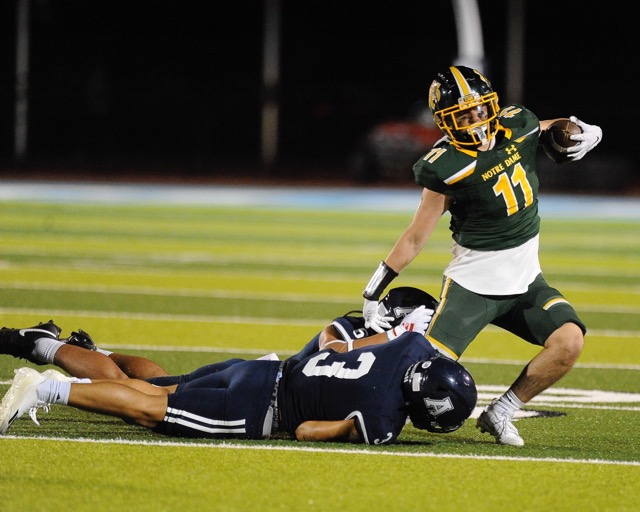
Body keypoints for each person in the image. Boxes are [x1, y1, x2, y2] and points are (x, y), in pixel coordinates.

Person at [360, 65, 603, 447]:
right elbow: (415, 237)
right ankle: (341, 383)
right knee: (414, 371)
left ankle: (502, 412)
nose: (475, 120)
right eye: (463, 115)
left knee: (569, 341)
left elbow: (546, 124)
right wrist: (373, 291)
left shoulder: (516, 125)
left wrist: (582, 128)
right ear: (446, 122)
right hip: (472, 287)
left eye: (480, 109)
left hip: (526, 282)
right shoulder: (446, 166)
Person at [0, 326, 477, 444]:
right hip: (257, 408)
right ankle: (44, 388)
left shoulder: (412, 347)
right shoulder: (384, 421)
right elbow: (308, 429)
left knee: (149, 385)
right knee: (146, 408)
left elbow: (336, 346)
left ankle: (64, 348)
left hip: (263, 369)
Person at [0, 287, 438, 383]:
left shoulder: (391, 341)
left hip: (267, 385)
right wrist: (392, 336)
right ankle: (40, 343)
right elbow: (334, 348)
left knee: (157, 384)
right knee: (141, 395)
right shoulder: (352, 327)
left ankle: (93, 352)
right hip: (262, 384)